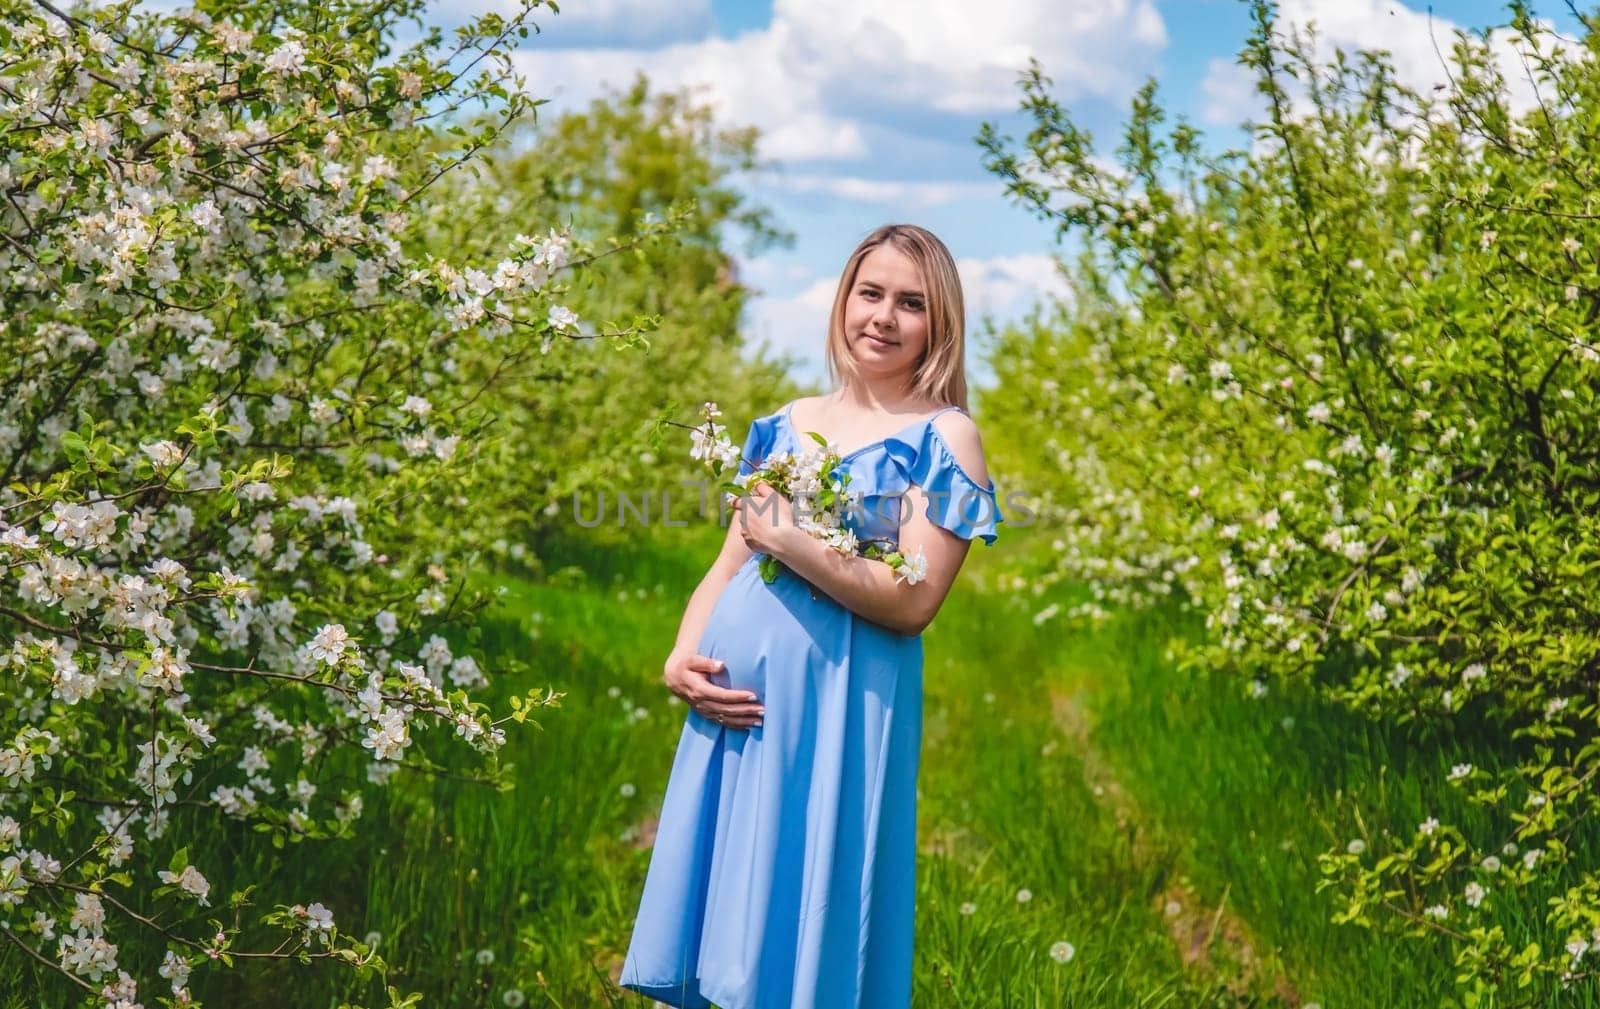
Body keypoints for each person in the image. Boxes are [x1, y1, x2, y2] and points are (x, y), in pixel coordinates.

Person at [619, 223, 1004, 1009]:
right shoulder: (788, 422)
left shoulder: (946, 435)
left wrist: (791, 539)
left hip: (841, 706)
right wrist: (680, 657)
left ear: (940, 322)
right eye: (871, 293)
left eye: (911, 303)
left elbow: (914, 601)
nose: (884, 317)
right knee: (725, 907)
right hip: (735, 709)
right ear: (844, 299)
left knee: (813, 890)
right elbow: (728, 564)